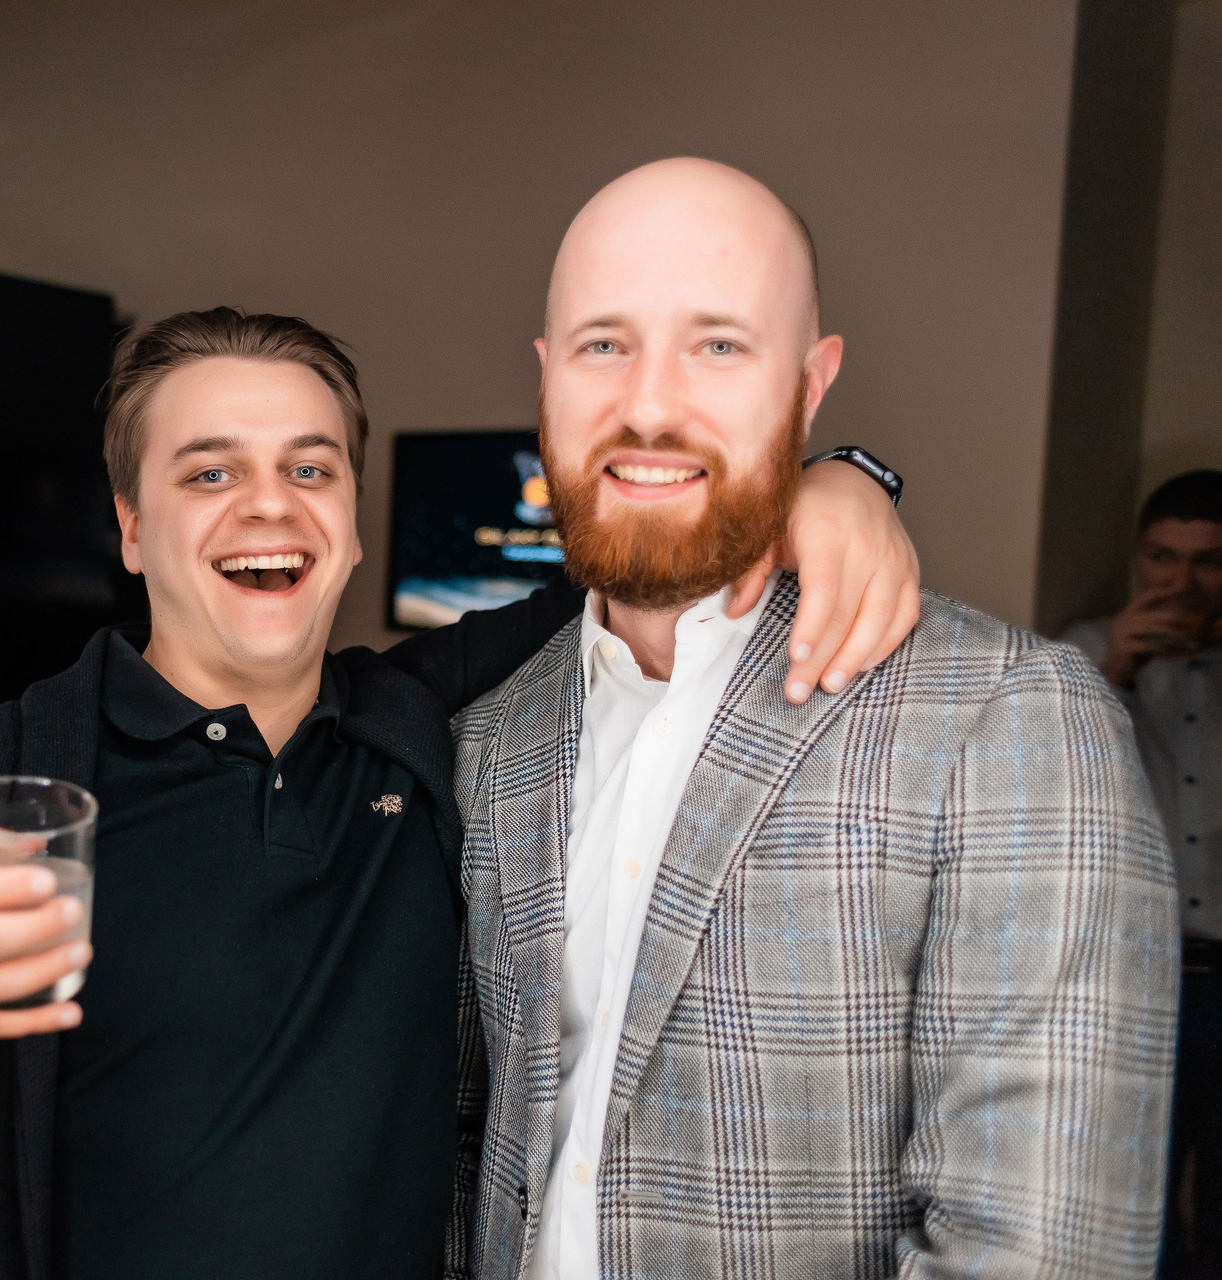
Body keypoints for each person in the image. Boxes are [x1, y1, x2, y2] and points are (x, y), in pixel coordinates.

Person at [0, 307, 918, 1279]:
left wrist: (837, 481)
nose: (268, 506)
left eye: (308, 468)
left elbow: (668, 557)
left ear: (352, 528)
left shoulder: (431, 721)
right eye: (209, 471)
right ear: (131, 527)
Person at [449, 158, 1178, 1280]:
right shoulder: (492, 737)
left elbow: (1040, 1250)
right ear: (547, 373)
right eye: (604, 344)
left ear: (811, 381)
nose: (649, 404)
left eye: (718, 345)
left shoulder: (1011, 719)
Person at [1060, 469, 1222, 1277]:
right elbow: (1053, 788)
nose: (1180, 582)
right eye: (1162, 557)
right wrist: (1117, 673)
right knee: (1127, 1196)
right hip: (1132, 975)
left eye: (1208, 562)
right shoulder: (1081, 656)